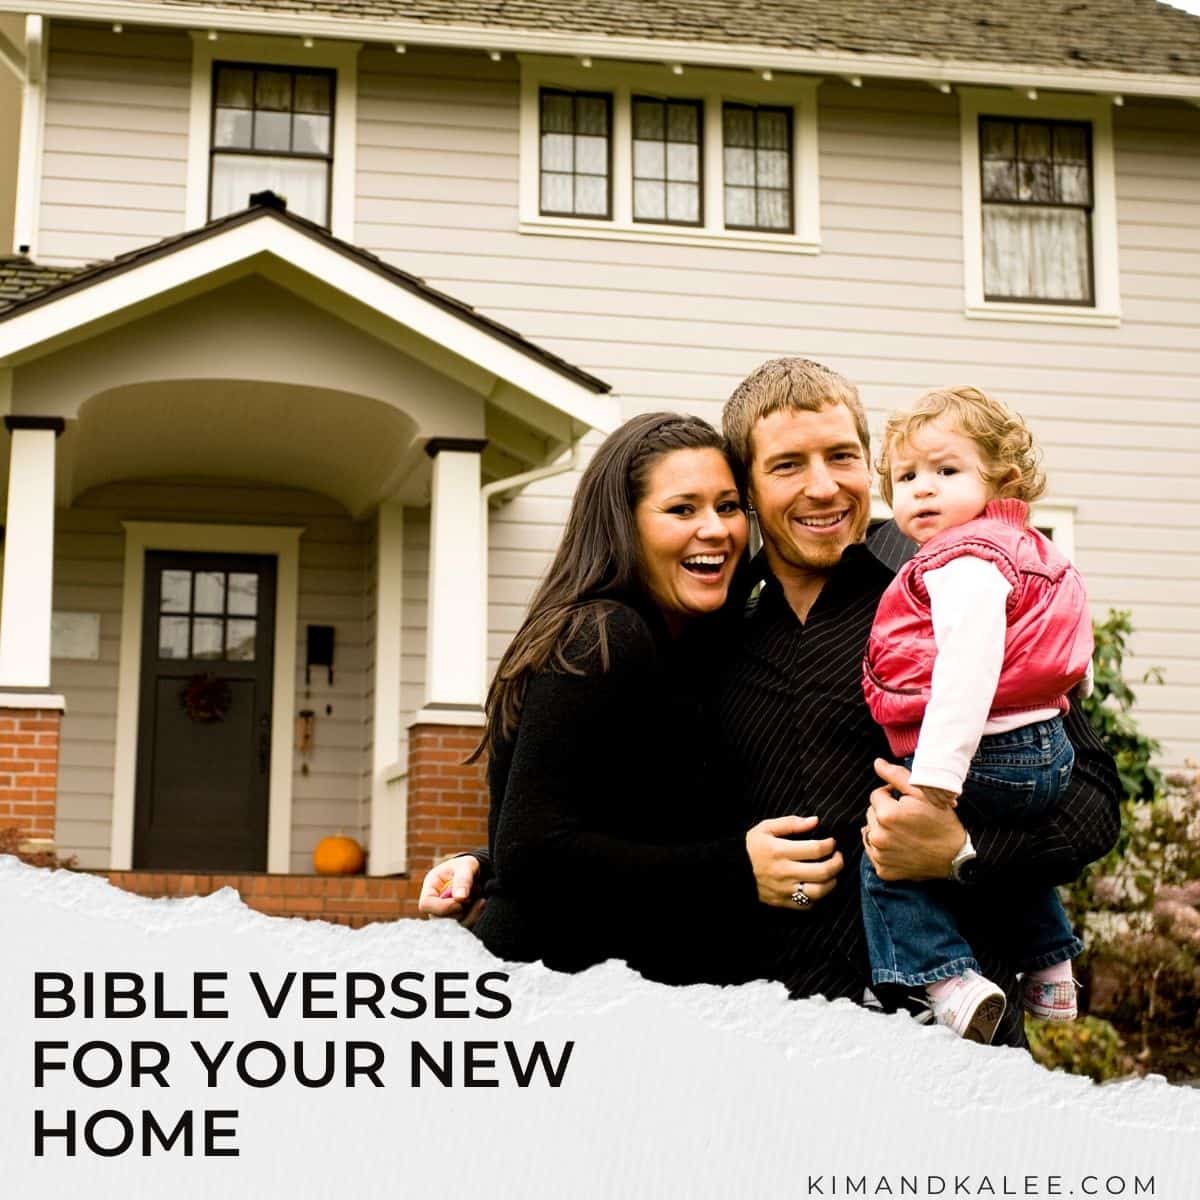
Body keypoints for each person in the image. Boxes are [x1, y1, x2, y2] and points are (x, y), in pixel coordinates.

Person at [423, 361, 1121, 1050]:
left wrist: (963, 853)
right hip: (762, 1042)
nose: (823, 487)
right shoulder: (706, 634)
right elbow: (644, 821)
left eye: (842, 456)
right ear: (749, 490)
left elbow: (1092, 798)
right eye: (788, 465)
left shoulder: (943, 596)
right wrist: (496, 861)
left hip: (947, 1038)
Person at [452, 411, 845, 983]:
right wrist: (736, 868)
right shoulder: (603, 635)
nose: (715, 529)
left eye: (729, 506)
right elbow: (535, 853)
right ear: (624, 525)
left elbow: (611, 823)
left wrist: (479, 863)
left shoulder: (695, 642)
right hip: (562, 1002)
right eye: (682, 509)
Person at [859, 386, 1094, 1043]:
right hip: (1042, 747)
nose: (922, 489)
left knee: (885, 859)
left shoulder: (964, 559)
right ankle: (1051, 968)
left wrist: (935, 780)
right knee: (1005, 847)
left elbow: (966, 668)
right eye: (906, 477)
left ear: (1001, 481)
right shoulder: (1025, 550)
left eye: (945, 470)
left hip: (987, 753)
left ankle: (949, 982)